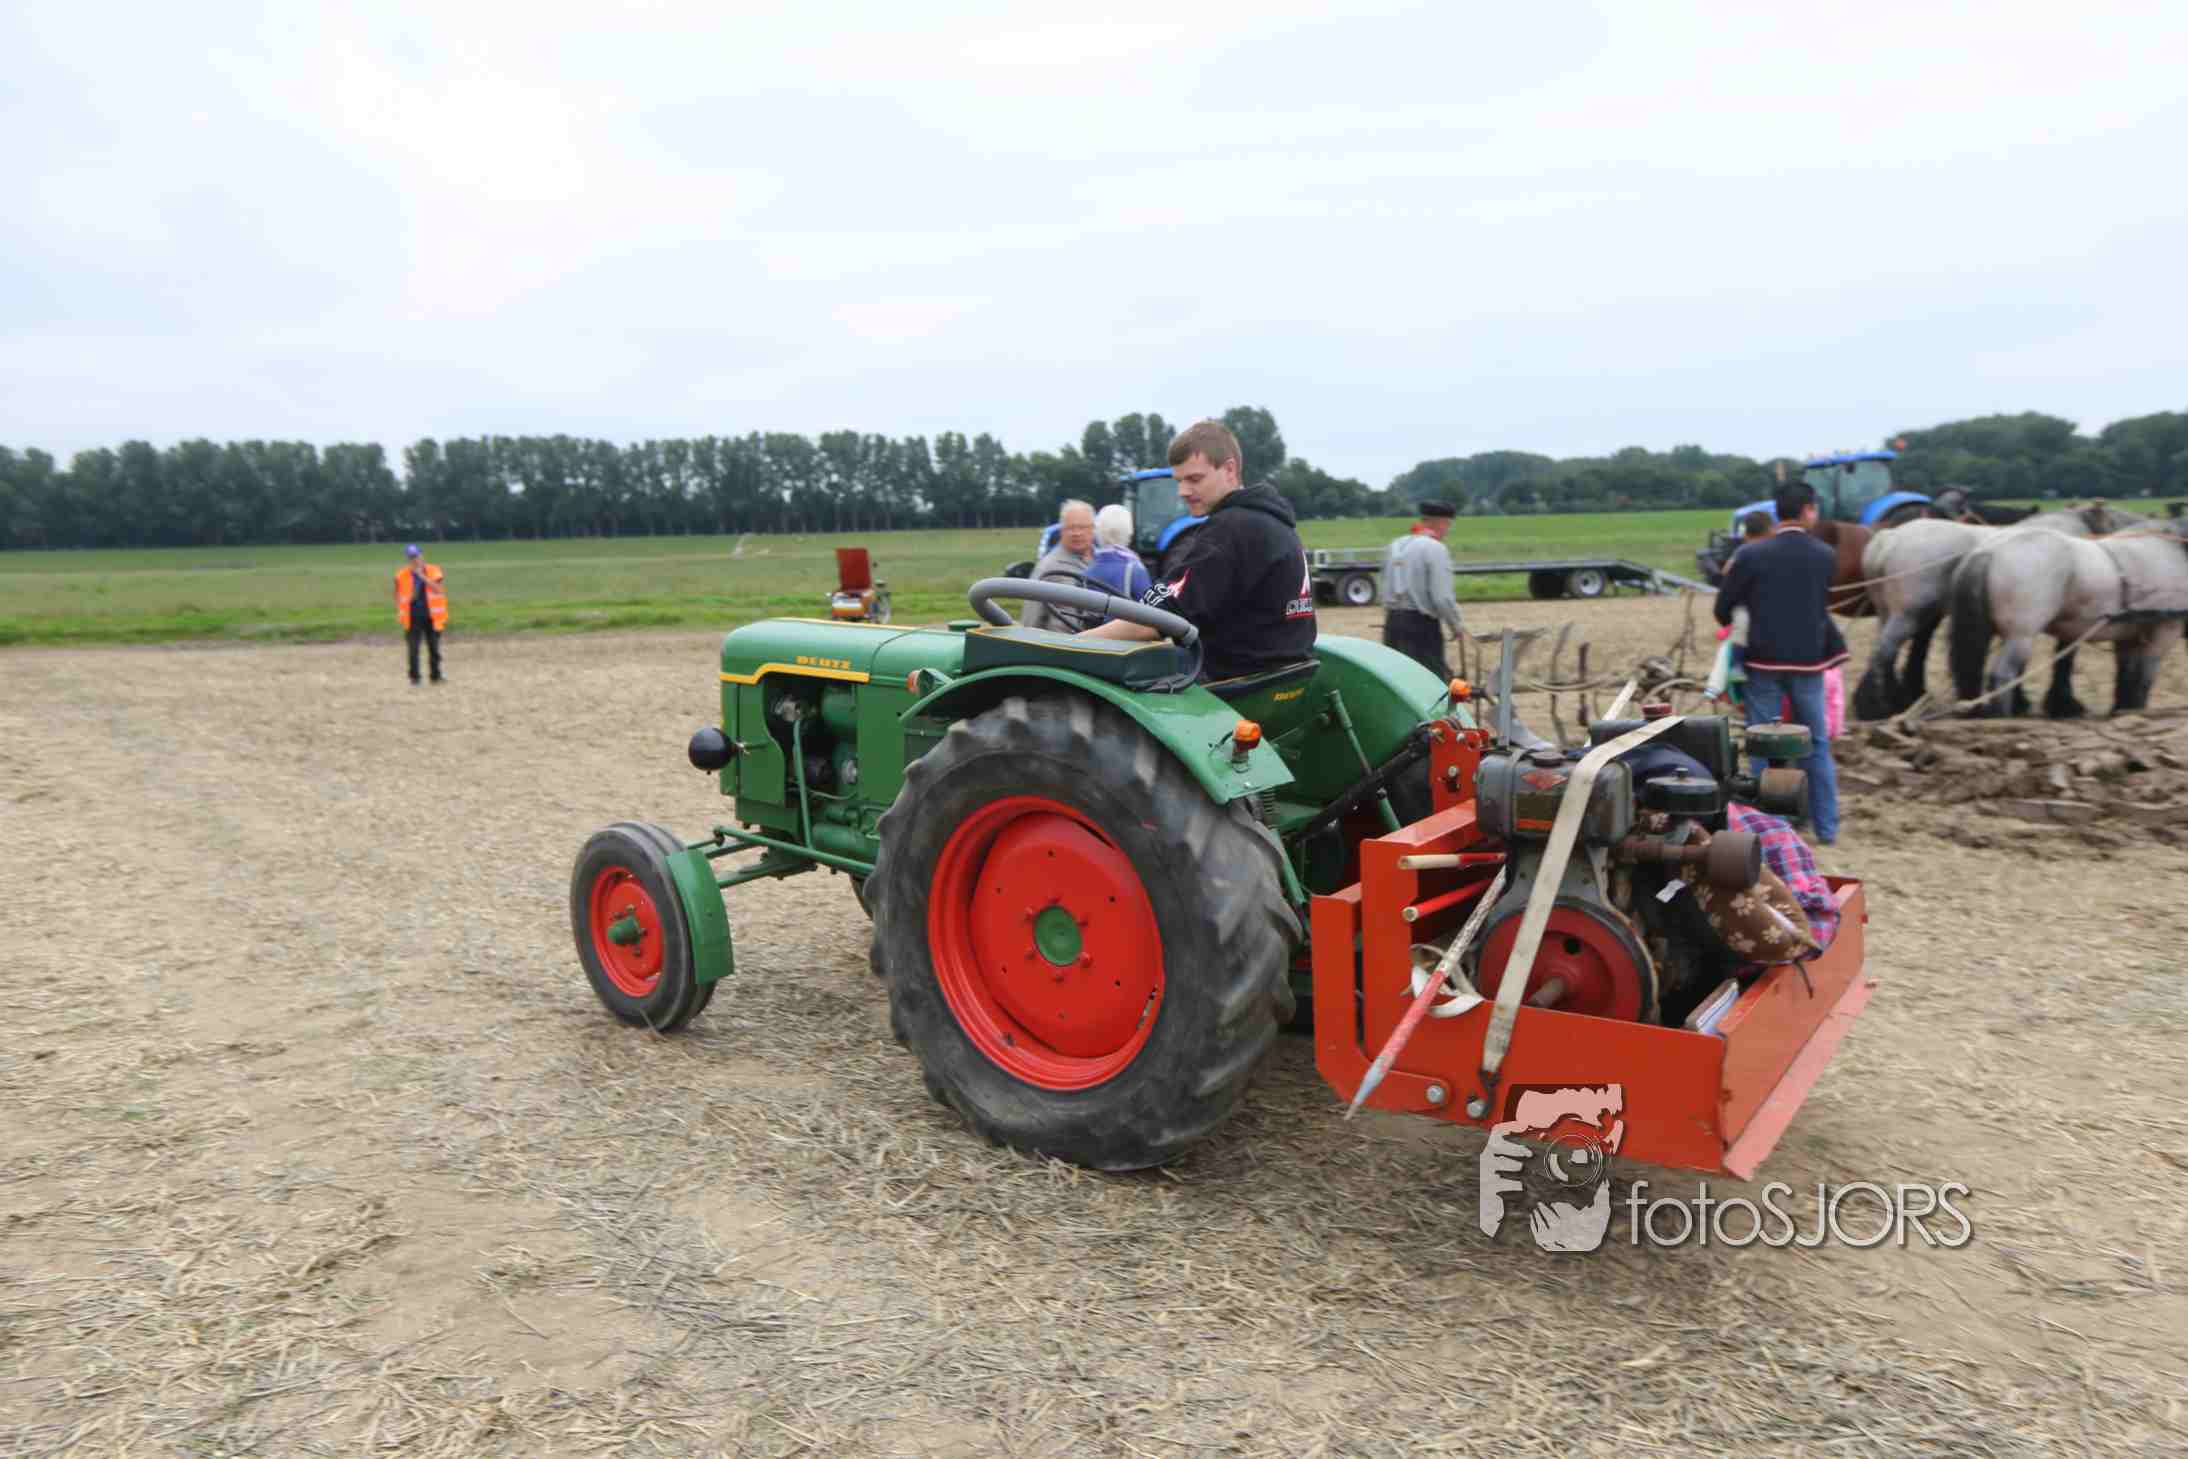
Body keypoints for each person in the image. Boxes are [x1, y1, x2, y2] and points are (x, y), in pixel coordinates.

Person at [1076, 420, 1316, 681]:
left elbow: (1153, 621)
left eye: (1194, 479)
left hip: (1234, 679)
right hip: (1282, 677)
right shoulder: (1276, 524)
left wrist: (1075, 644)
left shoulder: (1230, 529)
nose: (1182, 491)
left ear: (1229, 469)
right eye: (1179, 481)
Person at [1713, 482, 1847, 844]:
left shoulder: (1751, 555)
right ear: (1808, 510)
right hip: (1810, 664)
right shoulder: (1825, 554)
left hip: (1763, 662)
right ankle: (1826, 828)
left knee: (1764, 744)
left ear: (1778, 511)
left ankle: (1773, 825)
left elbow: (1723, 608)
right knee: (1815, 743)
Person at [1379, 500, 1465, 679]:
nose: (1447, 530)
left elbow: (1384, 584)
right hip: (1421, 627)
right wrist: (1456, 625)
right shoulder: (1435, 548)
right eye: (1448, 525)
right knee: (1429, 683)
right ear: (1441, 522)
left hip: (1392, 624)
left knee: (1398, 681)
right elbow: (1442, 598)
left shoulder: (1394, 546)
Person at [1022, 499, 1096, 632]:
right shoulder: (1048, 567)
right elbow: (1030, 619)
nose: (1076, 533)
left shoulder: (1101, 562)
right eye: (1070, 528)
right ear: (1061, 530)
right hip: (1061, 643)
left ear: (1093, 529)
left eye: (1082, 527)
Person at [395, 544, 449, 685]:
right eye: (411, 557)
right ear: (407, 559)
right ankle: (415, 678)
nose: (414, 560)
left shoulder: (434, 570)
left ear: (421, 555)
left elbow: (438, 589)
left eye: (416, 556)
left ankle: (435, 676)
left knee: (434, 648)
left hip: (432, 616)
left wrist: (422, 576)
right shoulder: (401, 575)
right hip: (412, 617)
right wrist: (400, 609)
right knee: (413, 649)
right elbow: (398, 595)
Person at [1087, 503, 1152, 602]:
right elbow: (1150, 606)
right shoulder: (1135, 570)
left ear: (1098, 530)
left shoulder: (1087, 570)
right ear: (1128, 531)